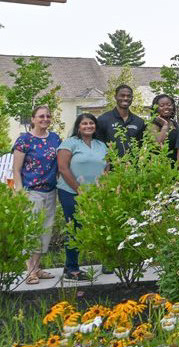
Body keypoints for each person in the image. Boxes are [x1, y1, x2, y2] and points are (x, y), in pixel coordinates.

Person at [12, 105, 61, 284]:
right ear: (33, 119)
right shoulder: (24, 140)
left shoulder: (55, 139)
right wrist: (19, 192)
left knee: (45, 230)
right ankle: (30, 270)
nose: (45, 119)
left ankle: (37, 267)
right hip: (31, 191)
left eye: (48, 116)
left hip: (50, 190)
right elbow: (16, 170)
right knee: (32, 231)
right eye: (41, 116)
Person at [56, 113, 109, 280]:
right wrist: (79, 190)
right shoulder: (70, 143)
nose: (88, 126)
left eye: (91, 123)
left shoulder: (101, 145)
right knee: (74, 228)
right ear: (78, 127)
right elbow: (63, 168)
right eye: (84, 123)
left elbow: (107, 167)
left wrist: (102, 187)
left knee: (100, 226)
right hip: (70, 192)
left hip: (95, 193)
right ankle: (71, 268)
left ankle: (108, 261)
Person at [96, 84, 145, 156]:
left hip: (133, 165)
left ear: (132, 98)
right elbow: (98, 145)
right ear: (115, 97)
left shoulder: (139, 122)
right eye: (122, 95)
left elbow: (140, 146)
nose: (125, 98)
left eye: (129, 96)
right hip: (110, 165)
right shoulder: (103, 119)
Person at [150, 94, 179, 161]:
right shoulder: (152, 125)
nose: (166, 107)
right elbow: (157, 144)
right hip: (160, 164)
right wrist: (165, 125)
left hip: (175, 164)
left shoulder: (174, 124)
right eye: (162, 105)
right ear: (156, 108)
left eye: (169, 105)